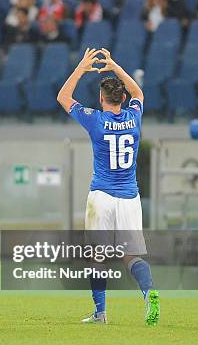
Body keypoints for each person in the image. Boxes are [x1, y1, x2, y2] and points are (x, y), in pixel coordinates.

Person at [56, 48, 160, 326]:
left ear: (102, 99)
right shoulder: (134, 116)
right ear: (122, 98)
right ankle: (149, 293)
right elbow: (139, 94)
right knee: (131, 256)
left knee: (97, 256)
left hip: (101, 195)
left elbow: (63, 98)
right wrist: (115, 66)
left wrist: (81, 67)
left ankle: (100, 313)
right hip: (129, 197)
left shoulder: (95, 120)